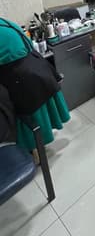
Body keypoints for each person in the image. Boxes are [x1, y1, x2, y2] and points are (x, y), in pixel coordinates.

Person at [0, 17, 70, 151]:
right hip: (35, 66)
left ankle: (35, 149)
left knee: (31, 116)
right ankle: (37, 147)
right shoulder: (4, 22)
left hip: (22, 76)